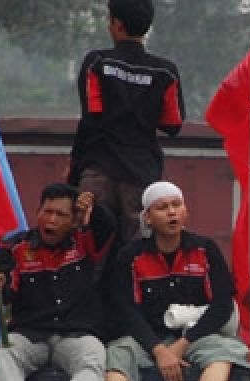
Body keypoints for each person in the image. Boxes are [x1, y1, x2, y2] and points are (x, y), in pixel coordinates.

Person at [103, 181, 249, 381]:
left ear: (186, 212)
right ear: (148, 217)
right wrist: (159, 350)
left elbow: (222, 306)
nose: (171, 212)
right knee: (118, 351)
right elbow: (127, 310)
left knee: (225, 350)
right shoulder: (131, 256)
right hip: (148, 340)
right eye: (162, 208)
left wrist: (183, 345)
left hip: (194, 337)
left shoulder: (205, 250)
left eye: (176, 205)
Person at [0, 184, 119, 381]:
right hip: (31, 334)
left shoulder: (83, 240)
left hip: (75, 334)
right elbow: (2, 295)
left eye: (61, 215)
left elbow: (107, 225)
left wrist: (93, 207)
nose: (52, 220)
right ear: (37, 212)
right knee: (5, 353)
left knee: (93, 355)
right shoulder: (14, 248)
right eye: (47, 211)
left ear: (74, 219)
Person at [69, 0, 184, 243]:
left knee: (89, 245)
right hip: (142, 172)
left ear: (116, 25)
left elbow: (90, 118)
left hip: (99, 169)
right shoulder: (165, 72)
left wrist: (75, 169)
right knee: (139, 248)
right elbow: (173, 124)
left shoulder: (97, 62)